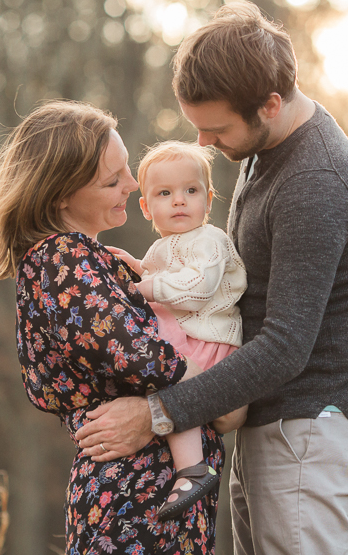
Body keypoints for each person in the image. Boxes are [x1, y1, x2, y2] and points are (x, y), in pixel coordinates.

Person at [75, 2, 348, 555]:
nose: (203, 144)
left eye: (215, 128)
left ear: (270, 104)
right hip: (274, 423)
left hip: (310, 431)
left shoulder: (314, 182)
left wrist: (157, 415)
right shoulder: (270, 146)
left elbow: (286, 348)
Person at [0, 100, 233, 554]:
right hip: (137, 489)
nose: (133, 185)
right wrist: (223, 394)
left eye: (127, 170)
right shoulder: (62, 259)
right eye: (113, 180)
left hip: (154, 483)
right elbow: (139, 355)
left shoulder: (92, 259)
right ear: (61, 195)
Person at [109, 140, 248, 521]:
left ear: (208, 197)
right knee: (160, 370)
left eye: (191, 190)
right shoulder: (162, 246)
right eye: (165, 194)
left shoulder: (211, 241)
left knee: (170, 379)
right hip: (191, 338)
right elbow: (160, 275)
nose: (179, 201)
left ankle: (192, 469)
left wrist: (145, 287)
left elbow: (196, 287)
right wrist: (138, 268)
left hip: (211, 342)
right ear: (146, 207)